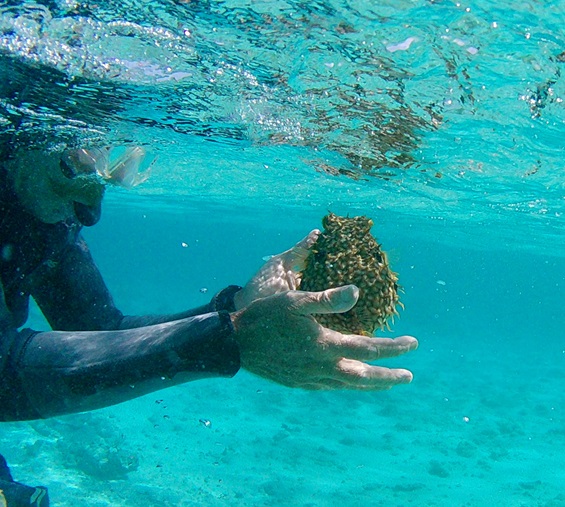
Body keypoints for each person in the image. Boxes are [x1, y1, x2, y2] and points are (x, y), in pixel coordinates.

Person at [0, 144, 418, 506]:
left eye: (113, 169)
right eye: (72, 165)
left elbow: (98, 330)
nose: (90, 209)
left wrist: (235, 307)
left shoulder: (47, 221)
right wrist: (230, 338)